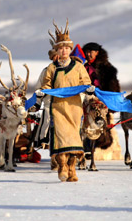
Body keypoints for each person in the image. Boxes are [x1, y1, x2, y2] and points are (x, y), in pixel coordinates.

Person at [36, 20, 93, 182]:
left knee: (74, 138)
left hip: (74, 106)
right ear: (57, 50)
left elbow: (85, 81)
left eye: (67, 48)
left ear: (70, 49)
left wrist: (88, 88)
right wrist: (42, 91)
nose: (64, 51)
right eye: (61, 48)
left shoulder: (78, 66)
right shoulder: (52, 68)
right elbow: (47, 83)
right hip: (58, 107)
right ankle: (62, 166)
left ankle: (73, 168)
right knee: (60, 137)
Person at [81, 42, 122, 160]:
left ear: (97, 53)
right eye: (87, 52)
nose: (89, 54)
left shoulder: (107, 68)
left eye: (91, 52)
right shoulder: (81, 67)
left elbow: (113, 87)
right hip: (84, 100)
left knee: (102, 126)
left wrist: (110, 103)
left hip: (101, 102)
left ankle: (91, 149)